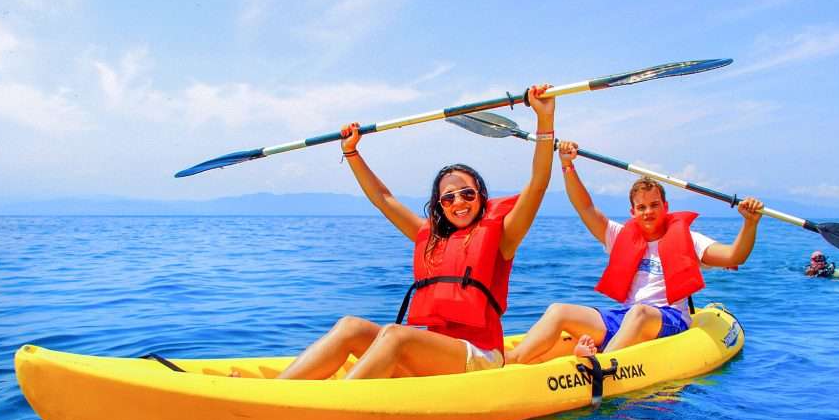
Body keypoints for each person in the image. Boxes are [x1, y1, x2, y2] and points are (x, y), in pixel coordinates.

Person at [274, 85, 556, 380]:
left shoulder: (503, 238)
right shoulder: (431, 237)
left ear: (481, 197)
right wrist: (351, 151)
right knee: (350, 327)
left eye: (467, 194)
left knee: (396, 335)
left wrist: (544, 119)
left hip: (481, 356)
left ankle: (335, 405)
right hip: (437, 353)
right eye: (449, 198)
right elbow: (383, 199)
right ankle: (277, 393)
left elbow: (537, 184)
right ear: (440, 206)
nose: (458, 202)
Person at [505, 141, 764, 364]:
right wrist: (567, 165)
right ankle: (512, 364)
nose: (648, 212)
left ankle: (601, 364)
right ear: (632, 212)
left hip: (670, 319)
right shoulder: (620, 236)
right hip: (626, 317)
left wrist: (749, 223)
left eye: (654, 205)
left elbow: (734, 256)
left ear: (666, 206)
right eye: (641, 207)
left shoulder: (689, 240)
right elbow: (585, 208)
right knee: (559, 310)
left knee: (640, 312)